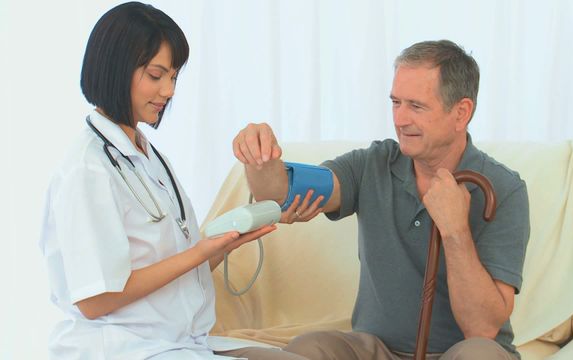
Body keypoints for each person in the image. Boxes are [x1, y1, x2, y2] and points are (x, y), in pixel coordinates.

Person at [232, 40, 530, 359]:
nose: (400, 119)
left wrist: (455, 231)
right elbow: (279, 194)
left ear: (461, 113)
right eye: (396, 102)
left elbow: (482, 329)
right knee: (310, 347)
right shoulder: (373, 163)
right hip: (376, 351)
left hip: (461, 354)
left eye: (416, 106)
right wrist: (260, 157)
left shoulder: (503, 188)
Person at [38, 3, 298, 359]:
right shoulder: (88, 170)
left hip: (178, 340)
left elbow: (173, 271)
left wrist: (223, 246)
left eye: (174, 77)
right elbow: (95, 299)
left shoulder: (146, 155)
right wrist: (200, 251)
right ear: (117, 68)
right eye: (156, 75)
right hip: (121, 346)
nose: (169, 91)